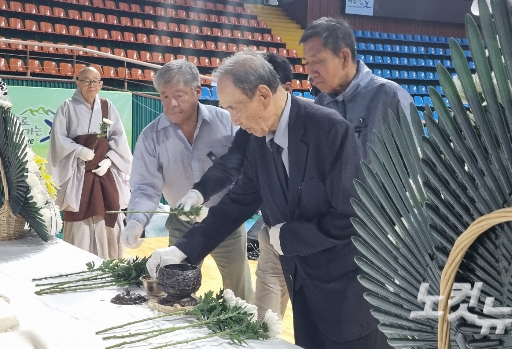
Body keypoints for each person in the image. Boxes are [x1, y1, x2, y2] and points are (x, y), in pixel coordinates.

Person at [147, 51, 390, 349]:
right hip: (302, 286)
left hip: (346, 294)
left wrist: (289, 236)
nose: (234, 120)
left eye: (235, 108)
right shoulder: (259, 137)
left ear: (263, 94)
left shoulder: (328, 129)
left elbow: (355, 216)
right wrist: (182, 251)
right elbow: (238, 202)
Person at [121, 60, 254, 302]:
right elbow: (145, 187)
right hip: (181, 223)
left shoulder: (226, 122)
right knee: (175, 290)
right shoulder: (151, 136)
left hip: (225, 223)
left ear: (197, 91)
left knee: (239, 292)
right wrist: (136, 221)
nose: (171, 104)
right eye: (164, 97)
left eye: (179, 95)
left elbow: (243, 169)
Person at [176, 53, 293, 321]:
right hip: (272, 235)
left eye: (236, 108)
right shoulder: (252, 129)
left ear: (279, 90)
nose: (236, 120)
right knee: (264, 322)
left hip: (311, 248)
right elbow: (232, 166)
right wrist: (199, 192)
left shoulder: (317, 129)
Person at [48, 66, 132, 259]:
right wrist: (77, 150)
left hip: (104, 174)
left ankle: (110, 260)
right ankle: (80, 260)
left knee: (109, 214)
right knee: (80, 218)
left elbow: (118, 138)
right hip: (79, 172)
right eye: (86, 80)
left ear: (101, 84)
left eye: (95, 81)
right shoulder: (67, 107)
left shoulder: (107, 106)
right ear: (77, 82)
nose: (90, 85)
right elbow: (58, 139)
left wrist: (110, 161)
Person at [301, 17, 413, 160]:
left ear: (344, 57)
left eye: (316, 61)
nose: (311, 72)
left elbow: (416, 166)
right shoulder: (321, 102)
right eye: (307, 62)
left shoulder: (391, 96)